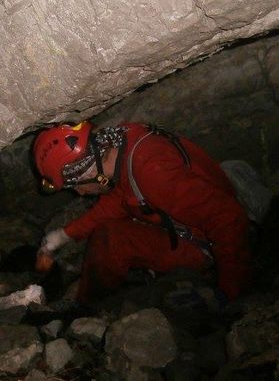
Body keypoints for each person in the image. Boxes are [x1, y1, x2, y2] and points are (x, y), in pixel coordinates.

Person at [33, 121, 251, 305]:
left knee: (112, 240)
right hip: (188, 223)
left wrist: (228, 293)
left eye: (76, 186)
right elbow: (117, 201)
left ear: (90, 170)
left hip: (205, 244)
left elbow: (227, 218)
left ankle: (88, 310)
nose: (80, 193)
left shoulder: (153, 173)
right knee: (112, 233)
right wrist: (64, 235)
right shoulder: (123, 144)